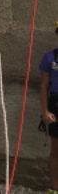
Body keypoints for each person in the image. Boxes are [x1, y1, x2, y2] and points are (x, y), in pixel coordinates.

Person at [38, 20, 58, 194]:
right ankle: (54, 188)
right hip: (56, 105)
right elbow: (44, 85)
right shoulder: (50, 57)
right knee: (56, 151)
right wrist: (45, 111)